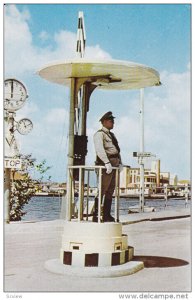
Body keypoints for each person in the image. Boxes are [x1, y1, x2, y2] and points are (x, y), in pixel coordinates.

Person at [93, 111, 122, 222]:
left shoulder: (111, 135)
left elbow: (117, 150)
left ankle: (106, 214)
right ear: (104, 122)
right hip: (105, 164)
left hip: (114, 163)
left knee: (110, 190)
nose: (113, 123)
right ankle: (96, 215)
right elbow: (100, 150)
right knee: (102, 189)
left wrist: (120, 163)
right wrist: (106, 163)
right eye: (111, 121)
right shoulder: (99, 134)